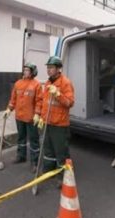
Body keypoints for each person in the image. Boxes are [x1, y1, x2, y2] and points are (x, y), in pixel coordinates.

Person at [37, 56, 74, 187]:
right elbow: (44, 103)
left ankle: (62, 175)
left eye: (51, 67)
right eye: (48, 67)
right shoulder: (47, 83)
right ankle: (48, 170)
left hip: (60, 124)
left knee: (60, 151)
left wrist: (58, 94)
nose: (48, 70)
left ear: (58, 69)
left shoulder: (65, 83)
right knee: (48, 149)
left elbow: (69, 102)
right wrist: (41, 117)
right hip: (48, 122)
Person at [4, 63, 43, 172]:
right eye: (24, 70)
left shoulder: (37, 85)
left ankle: (35, 162)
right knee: (21, 137)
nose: (25, 72)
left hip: (31, 118)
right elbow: (13, 99)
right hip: (19, 117)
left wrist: (37, 114)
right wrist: (9, 109)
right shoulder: (18, 83)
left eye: (27, 70)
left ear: (33, 72)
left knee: (34, 140)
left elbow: (40, 101)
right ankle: (21, 156)